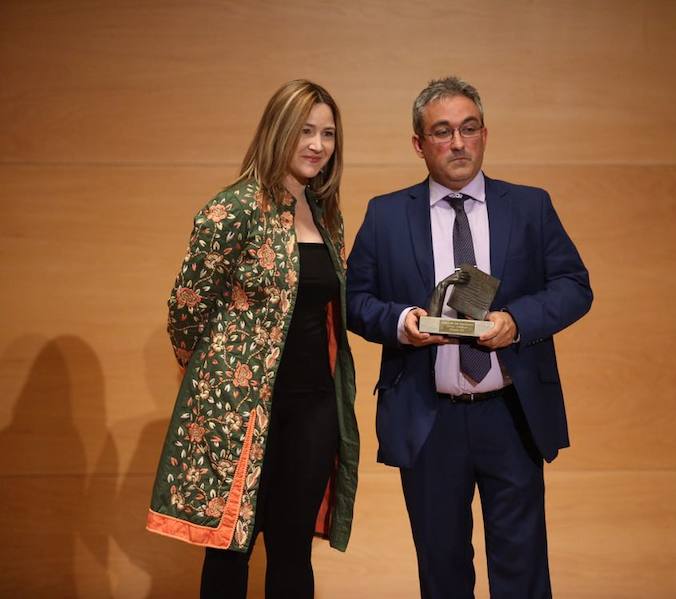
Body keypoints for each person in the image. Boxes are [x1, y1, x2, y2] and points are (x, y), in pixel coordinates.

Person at [346, 76, 592, 598]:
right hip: (428, 418)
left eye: (469, 128)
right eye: (442, 131)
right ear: (419, 143)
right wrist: (402, 324)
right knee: (442, 572)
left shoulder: (530, 206)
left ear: (484, 134)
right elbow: (353, 300)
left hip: (511, 412)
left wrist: (518, 322)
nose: (458, 142)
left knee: (522, 570)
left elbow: (574, 286)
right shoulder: (386, 215)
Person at [146, 79, 359, 599]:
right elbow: (186, 310)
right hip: (239, 412)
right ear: (277, 132)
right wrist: (215, 378)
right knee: (230, 551)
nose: (317, 144)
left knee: (292, 551)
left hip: (312, 410)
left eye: (327, 133)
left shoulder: (326, 212)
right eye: (305, 131)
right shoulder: (233, 208)